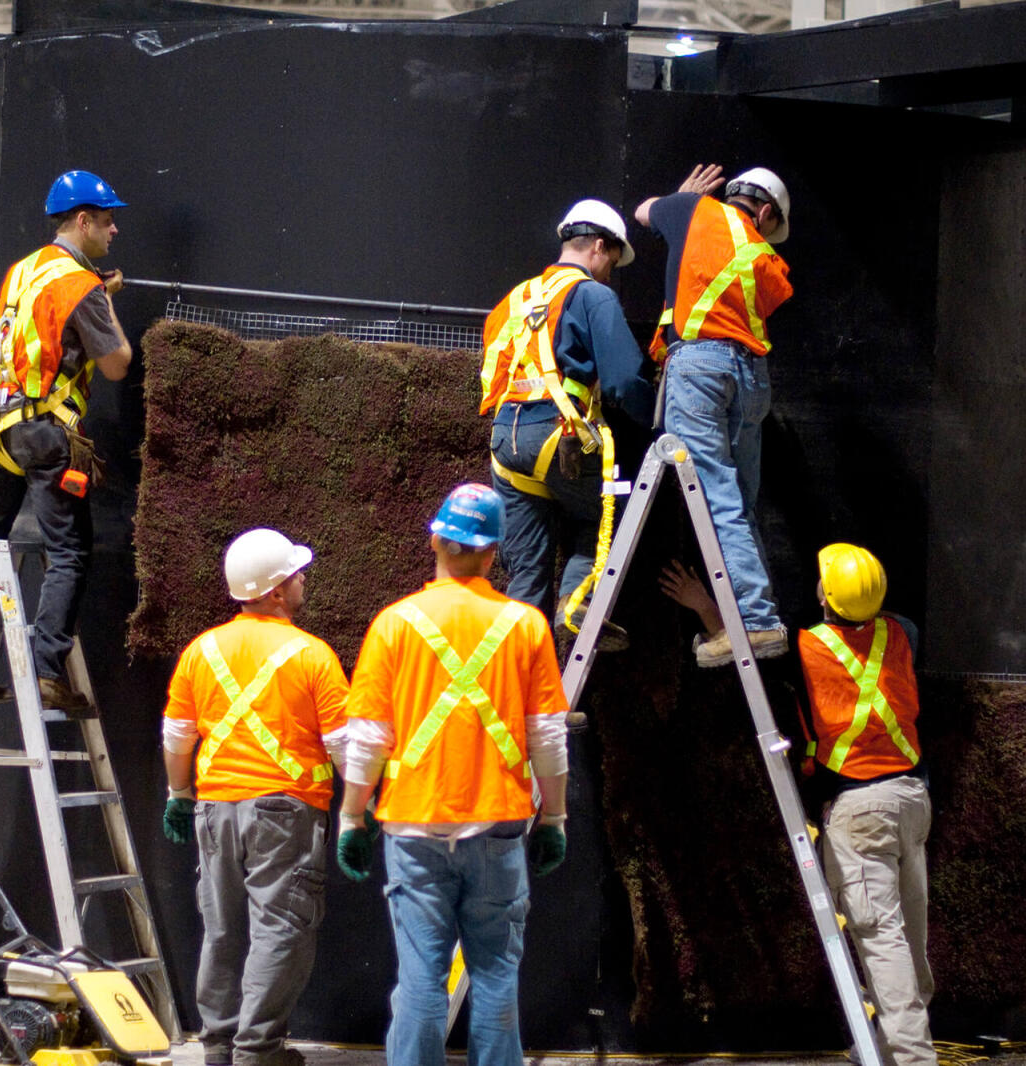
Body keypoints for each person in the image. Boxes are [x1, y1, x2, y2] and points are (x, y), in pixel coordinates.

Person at [665, 547, 933, 1066]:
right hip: (912, 800)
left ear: (825, 596)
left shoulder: (805, 647)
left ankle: (913, 1057)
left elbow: (740, 652)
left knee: (881, 940)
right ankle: (880, 1046)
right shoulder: (902, 633)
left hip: (859, 809)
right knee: (908, 936)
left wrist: (705, 606)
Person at [335, 483, 570, 1066]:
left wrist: (350, 816)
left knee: (420, 980)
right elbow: (547, 736)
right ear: (494, 553)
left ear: (436, 539)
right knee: (495, 978)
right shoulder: (525, 625)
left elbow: (368, 738)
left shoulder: (392, 625)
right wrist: (556, 816)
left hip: (413, 825)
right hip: (498, 825)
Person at [0, 170, 133, 714]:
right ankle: (47, 672)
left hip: (1, 429)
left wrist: (96, 292)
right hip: (49, 434)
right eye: (109, 220)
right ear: (84, 220)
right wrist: (104, 301)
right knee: (68, 550)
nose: (114, 230)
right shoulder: (79, 285)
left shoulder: (24, 271)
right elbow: (117, 363)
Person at [162, 528, 351, 1066]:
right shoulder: (312, 655)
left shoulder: (201, 651)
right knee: (281, 929)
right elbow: (343, 746)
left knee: (221, 929)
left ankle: (219, 1048)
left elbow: (177, 738)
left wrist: (179, 794)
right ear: (274, 592)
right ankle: (258, 1052)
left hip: (214, 809)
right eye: (294, 574)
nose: (302, 579)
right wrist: (364, 805)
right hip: (285, 812)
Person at [636, 163, 793, 668]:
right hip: (751, 378)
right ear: (765, 213)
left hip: (700, 368)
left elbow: (642, 214)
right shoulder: (765, 258)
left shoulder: (692, 210)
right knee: (738, 506)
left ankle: (755, 619)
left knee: (717, 499)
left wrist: (679, 196)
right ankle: (756, 618)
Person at [481, 199, 656, 649]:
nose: (609, 273)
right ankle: (579, 601)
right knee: (607, 511)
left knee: (527, 572)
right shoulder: (593, 295)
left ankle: (522, 691)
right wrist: (656, 421)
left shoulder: (514, 299)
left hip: (506, 440)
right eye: (611, 262)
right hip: (557, 431)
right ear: (599, 247)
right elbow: (623, 379)